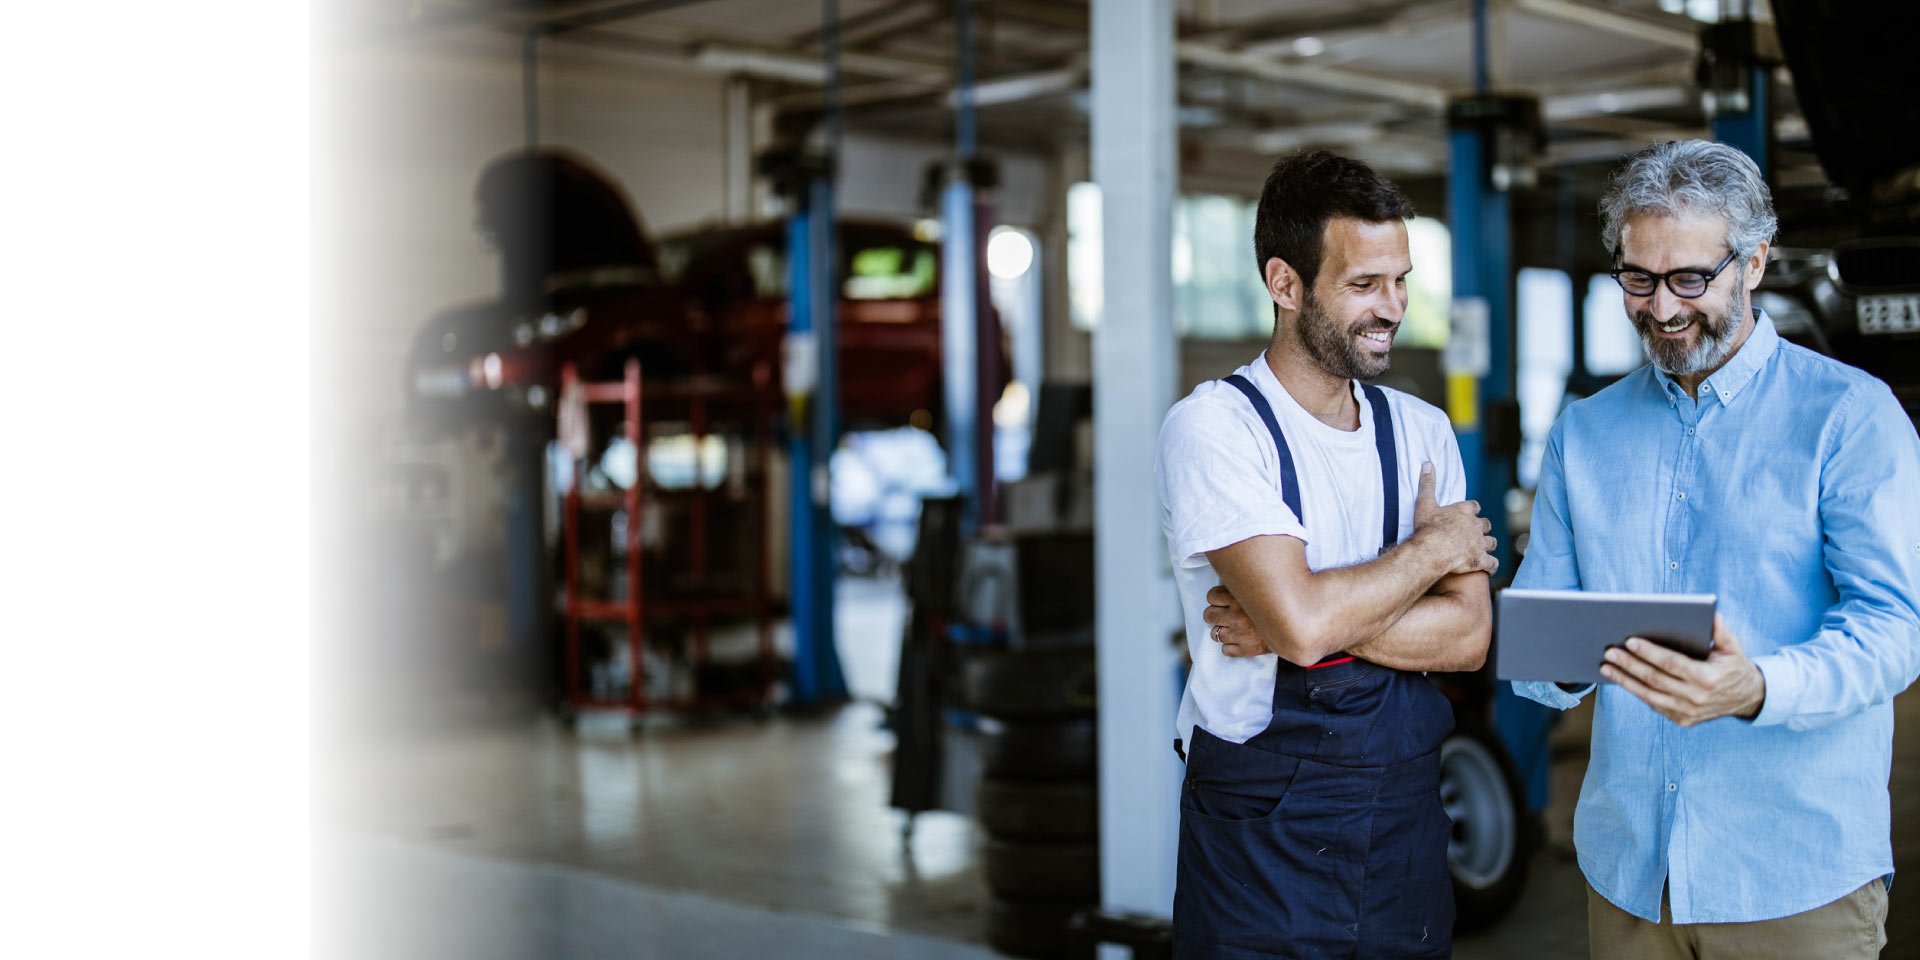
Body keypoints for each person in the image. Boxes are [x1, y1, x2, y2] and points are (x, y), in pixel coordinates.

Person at [1510, 139, 1920, 958]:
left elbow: (1895, 631)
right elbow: (1538, 649)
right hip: (1630, 878)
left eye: (1689, 279)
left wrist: (1756, 686)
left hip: (1792, 879)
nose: (1661, 308)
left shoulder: (1849, 416)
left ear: (1755, 262)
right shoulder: (1584, 434)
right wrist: (1558, 654)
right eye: (1637, 277)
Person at [1156, 149, 1497, 958]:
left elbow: (1468, 638)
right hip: (1261, 843)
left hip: (1404, 827)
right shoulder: (1216, 429)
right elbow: (1304, 627)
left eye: (1401, 280)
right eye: (1363, 285)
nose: (1393, 308)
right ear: (1284, 282)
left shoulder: (1420, 432)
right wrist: (1430, 553)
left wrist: (1295, 614)